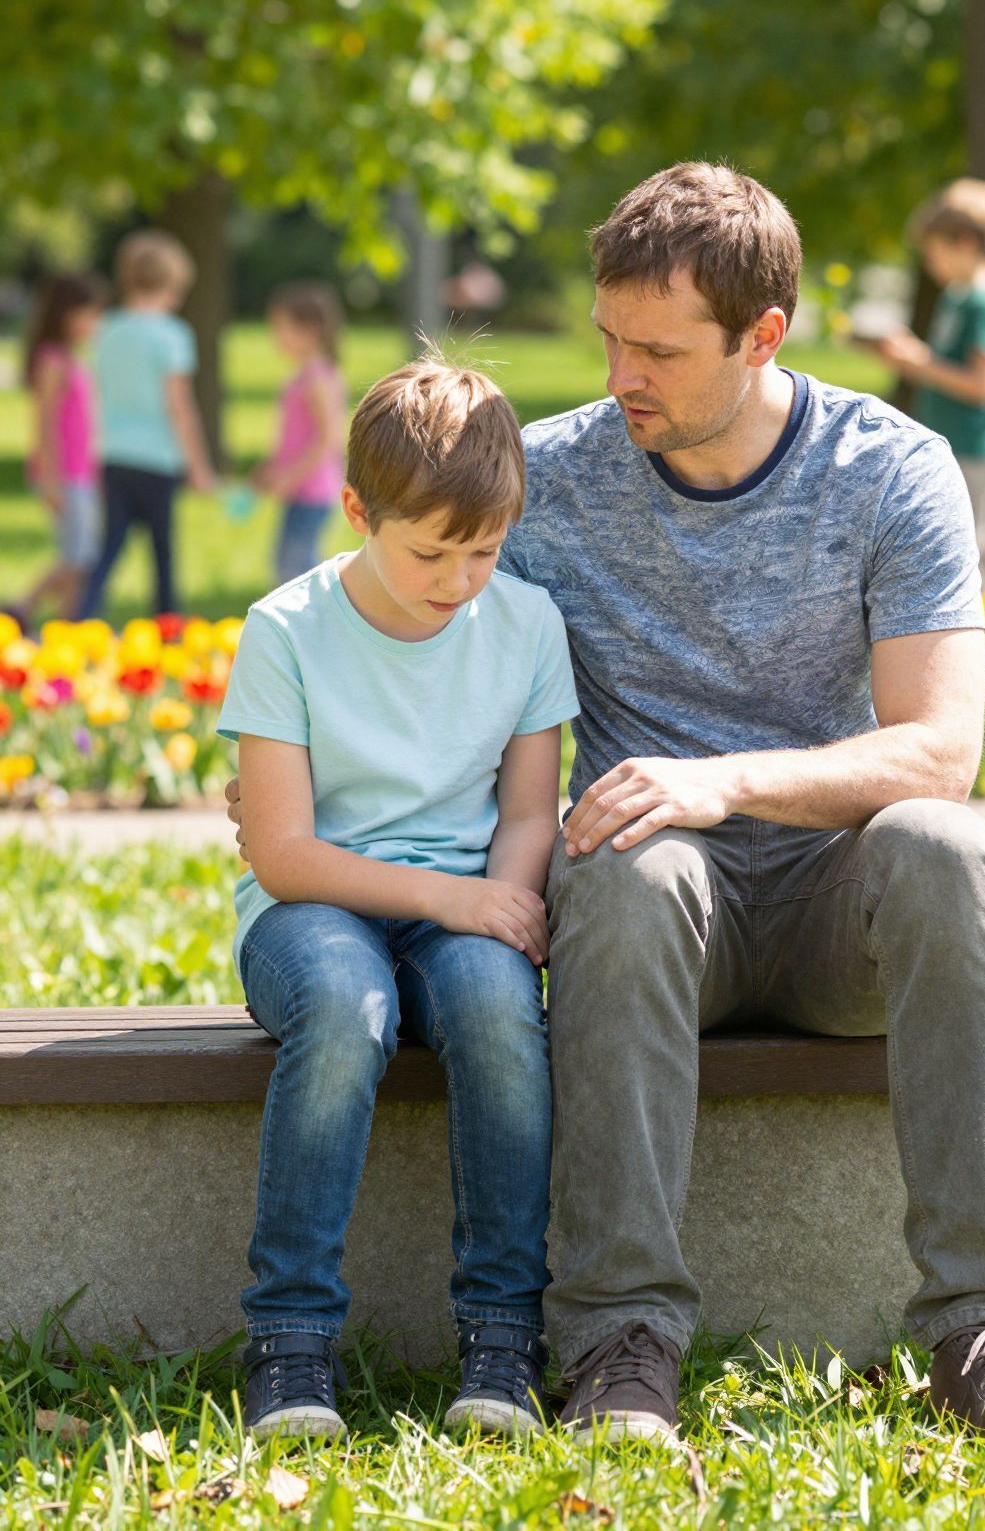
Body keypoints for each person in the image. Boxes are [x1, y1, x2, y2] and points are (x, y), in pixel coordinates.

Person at [229, 163, 985, 1449]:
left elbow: (939, 751)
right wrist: (280, 744)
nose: (621, 373)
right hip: (653, 913)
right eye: (610, 336)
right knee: (629, 862)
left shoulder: (890, 467)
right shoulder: (552, 482)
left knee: (945, 845)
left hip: (826, 903)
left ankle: (979, 1327)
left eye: (660, 350)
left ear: (763, 338)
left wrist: (721, 778)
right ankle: (622, 1339)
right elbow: (395, 575)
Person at [217, 358, 578, 1440]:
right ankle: (289, 1341)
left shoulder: (527, 624)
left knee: (498, 1011)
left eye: (486, 548)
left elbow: (526, 814)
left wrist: (502, 910)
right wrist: (456, 900)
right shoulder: (286, 628)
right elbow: (283, 851)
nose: (460, 577)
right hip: (310, 913)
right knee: (345, 1007)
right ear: (359, 510)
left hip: (463, 905)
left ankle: (503, 1338)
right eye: (431, 549)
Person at [875, 179, 985, 594]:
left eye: (935, 250)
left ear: (967, 242)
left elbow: (984, 385)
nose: (929, 262)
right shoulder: (958, 296)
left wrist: (918, 362)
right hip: (953, 445)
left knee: (970, 559)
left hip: (975, 451)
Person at [79, 230, 216, 620]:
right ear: (173, 285)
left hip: (113, 453)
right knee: (162, 549)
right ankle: (167, 623)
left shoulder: (105, 329)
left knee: (109, 545)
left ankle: (81, 615)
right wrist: (199, 465)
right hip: (158, 458)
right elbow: (180, 406)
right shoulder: (173, 335)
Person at [15, 272, 107, 627]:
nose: (94, 323)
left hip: (80, 472)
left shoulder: (72, 358)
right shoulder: (52, 359)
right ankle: (23, 607)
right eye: (90, 313)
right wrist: (52, 479)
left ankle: (67, 624)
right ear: (67, 313)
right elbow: (46, 424)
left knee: (82, 557)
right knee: (79, 557)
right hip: (62, 473)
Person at [251, 281, 347, 585]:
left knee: (297, 566)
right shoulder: (308, 373)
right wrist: (272, 469)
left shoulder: (317, 377)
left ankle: (313, 624)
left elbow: (326, 439)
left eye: (282, 327)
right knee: (290, 561)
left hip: (313, 490)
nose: (276, 336)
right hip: (301, 489)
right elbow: (298, 437)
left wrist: (289, 478)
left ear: (310, 329)